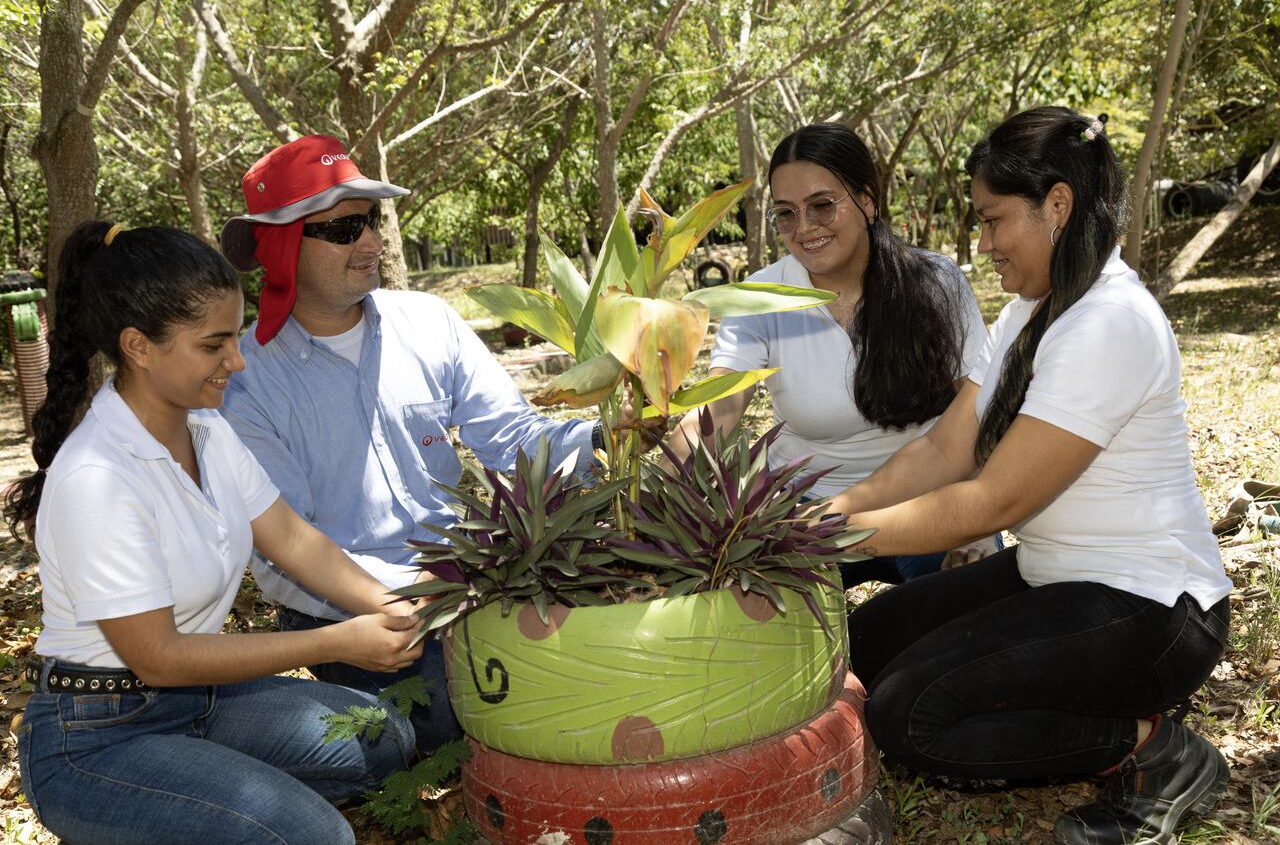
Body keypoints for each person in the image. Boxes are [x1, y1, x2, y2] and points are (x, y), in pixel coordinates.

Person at [825, 107, 1231, 844]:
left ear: (1058, 205)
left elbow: (992, 499)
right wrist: (831, 513)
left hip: (1152, 612)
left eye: (991, 220)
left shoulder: (1109, 321)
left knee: (907, 714)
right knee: (863, 646)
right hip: (1054, 575)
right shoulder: (1029, 312)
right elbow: (944, 451)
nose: (982, 245)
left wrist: (831, 538)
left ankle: (1154, 752)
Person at [3, 222, 421, 845]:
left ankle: (200, 799)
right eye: (214, 344)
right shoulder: (97, 476)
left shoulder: (207, 430)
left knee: (381, 733)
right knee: (312, 837)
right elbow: (160, 657)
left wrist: (392, 607)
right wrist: (338, 641)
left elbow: (292, 539)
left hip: (199, 702)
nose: (238, 359)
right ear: (139, 346)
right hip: (94, 737)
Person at [218, 134, 616, 752]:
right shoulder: (244, 381)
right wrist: (415, 607)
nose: (373, 241)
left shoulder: (428, 323)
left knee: (600, 670)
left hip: (475, 580)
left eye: (371, 220)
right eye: (346, 228)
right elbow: (286, 547)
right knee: (456, 725)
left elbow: (511, 438)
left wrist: (604, 441)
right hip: (355, 617)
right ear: (283, 246)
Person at [664, 123, 993, 584]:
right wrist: (648, 492)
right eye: (786, 213)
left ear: (867, 200)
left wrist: (971, 524)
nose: (804, 228)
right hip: (806, 514)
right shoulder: (762, 297)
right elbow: (718, 410)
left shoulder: (935, 282)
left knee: (960, 624)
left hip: (929, 498)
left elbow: (977, 410)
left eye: (822, 205)